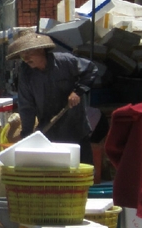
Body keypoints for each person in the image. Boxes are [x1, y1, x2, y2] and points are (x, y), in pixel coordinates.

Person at [8, 31, 98, 165]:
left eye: (29, 53)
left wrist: (77, 92)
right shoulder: (26, 74)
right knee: (56, 173)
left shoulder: (65, 61)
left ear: (41, 50)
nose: (26, 59)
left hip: (75, 127)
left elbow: (91, 69)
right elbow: (27, 107)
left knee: (82, 169)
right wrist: (27, 136)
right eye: (22, 55)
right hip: (49, 131)